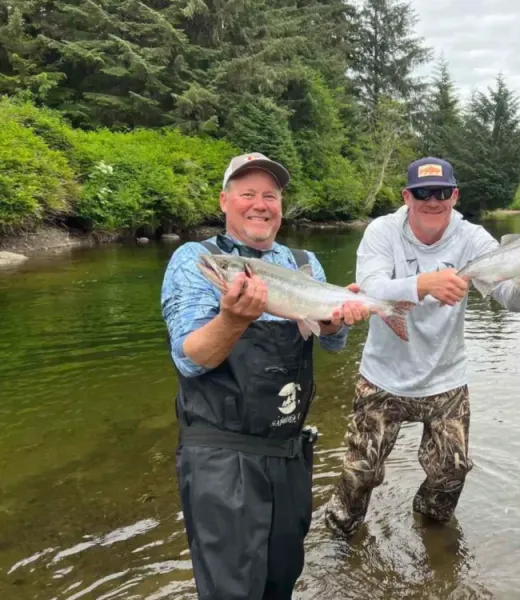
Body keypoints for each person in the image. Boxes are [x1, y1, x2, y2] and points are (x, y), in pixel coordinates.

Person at [323, 156, 520, 537]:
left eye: (442, 192)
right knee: (361, 473)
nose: (433, 201)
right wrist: (425, 284)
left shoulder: (473, 239)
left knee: (451, 472)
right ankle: (340, 538)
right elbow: (369, 289)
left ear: (455, 195)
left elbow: (512, 300)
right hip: (383, 378)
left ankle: (432, 535)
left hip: (446, 379)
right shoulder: (382, 231)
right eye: (423, 193)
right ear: (406, 196)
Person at [160, 152, 370, 599]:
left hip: (290, 453)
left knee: (281, 579)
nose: (260, 204)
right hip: (221, 458)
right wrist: (233, 319)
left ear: (281, 205)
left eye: (270, 195)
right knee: (232, 590)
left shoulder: (303, 260)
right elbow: (190, 358)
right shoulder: (197, 259)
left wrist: (336, 320)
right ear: (224, 201)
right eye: (247, 193)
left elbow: (330, 343)